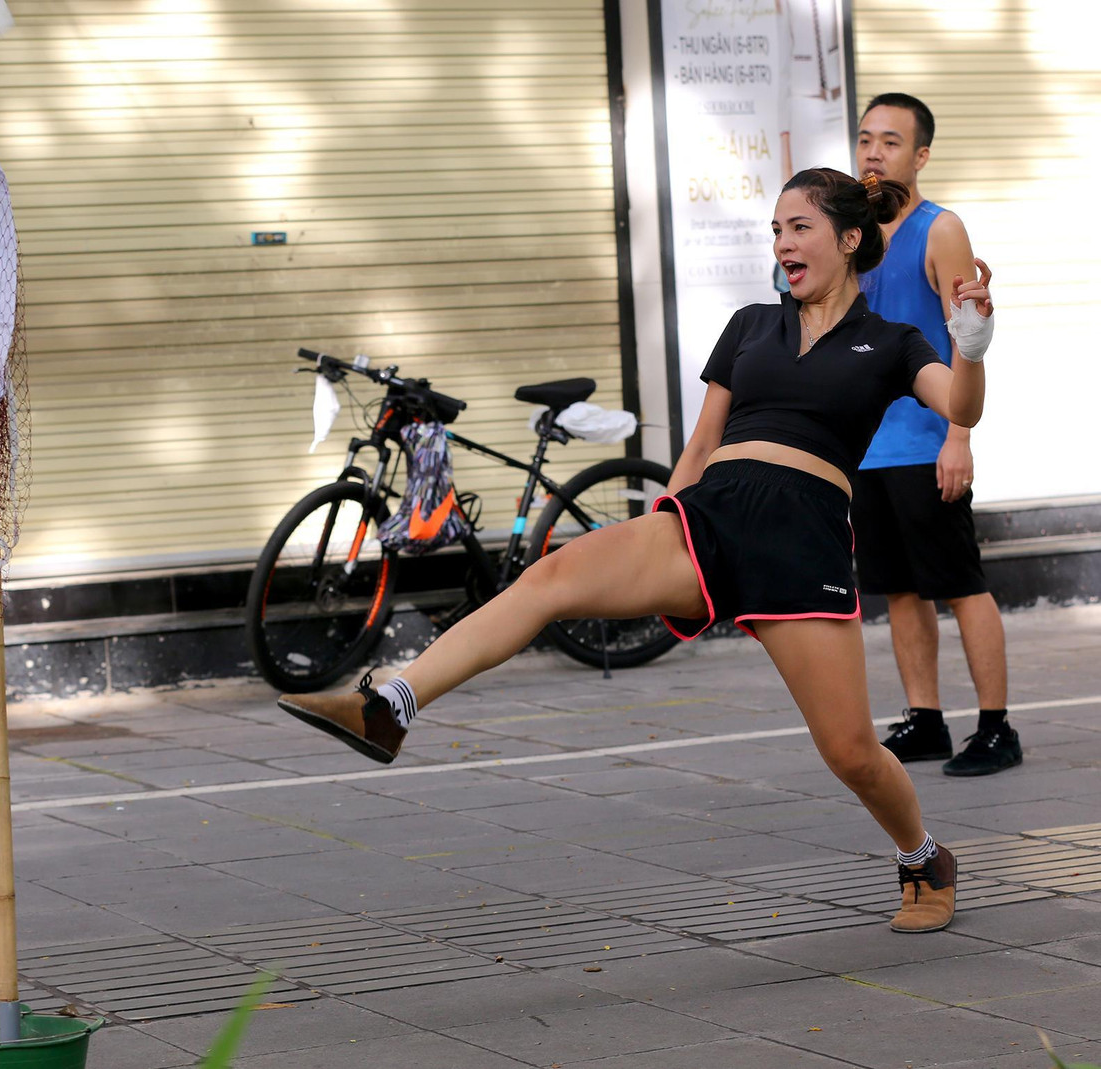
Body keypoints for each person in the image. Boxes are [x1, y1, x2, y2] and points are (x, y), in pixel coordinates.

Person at [278, 167, 996, 934]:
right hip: (710, 516)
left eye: (800, 228)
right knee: (549, 576)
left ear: (849, 239)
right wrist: (672, 514)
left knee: (851, 751)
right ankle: (391, 703)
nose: (782, 243)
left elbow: (959, 405)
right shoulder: (752, 325)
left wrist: (973, 346)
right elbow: (703, 440)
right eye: (776, 230)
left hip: (803, 537)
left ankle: (923, 855)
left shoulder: (890, 341)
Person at [854, 93, 1020, 777]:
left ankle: (995, 726)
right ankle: (924, 719)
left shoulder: (939, 228)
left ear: (920, 155)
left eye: (891, 142)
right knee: (897, 589)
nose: (873, 152)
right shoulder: (851, 230)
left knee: (960, 583)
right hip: (866, 447)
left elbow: (967, 337)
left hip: (927, 441)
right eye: (865, 139)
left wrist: (959, 436)